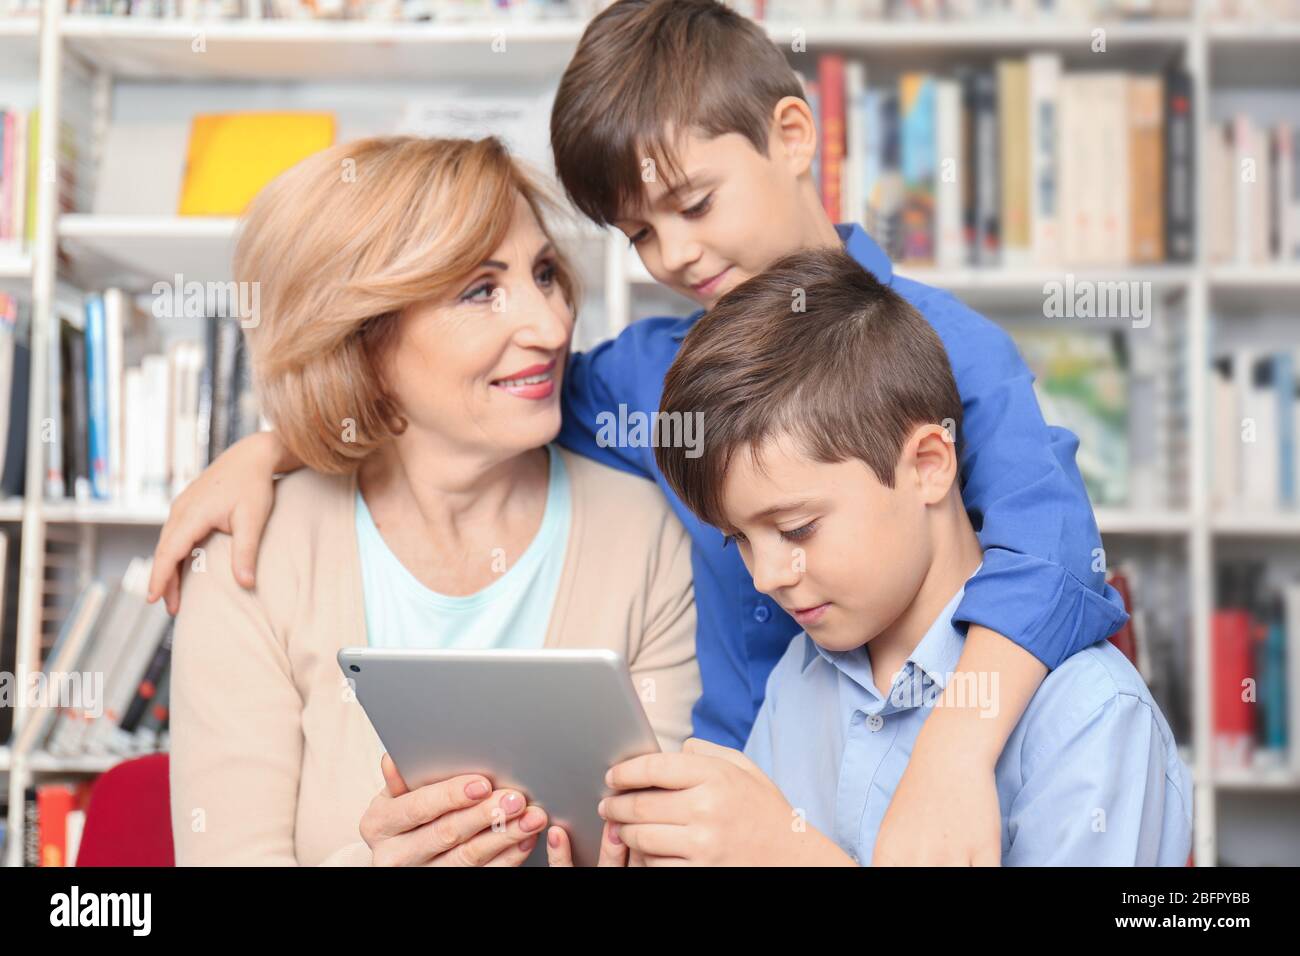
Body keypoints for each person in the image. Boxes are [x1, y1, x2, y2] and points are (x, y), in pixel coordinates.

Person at [151, 0, 1127, 865]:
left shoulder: (947, 346)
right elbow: (461, 397)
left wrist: (952, 758)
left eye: (696, 205)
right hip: (726, 806)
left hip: (914, 779)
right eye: (640, 234)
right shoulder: (647, 379)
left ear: (793, 136)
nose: (678, 253)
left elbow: (1054, 553)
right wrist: (273, 444)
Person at [169, 135, 699, 866]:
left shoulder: (643, 533)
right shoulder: (251, 559)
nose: (550, 327)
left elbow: (668, 843)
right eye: (481, 290)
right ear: (364, 338)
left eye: (545, 274)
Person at [595, 248, 1192, 865]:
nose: (767, 577)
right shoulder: (801, 680)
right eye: (739, 540)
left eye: (796, 529)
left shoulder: (1088, 716)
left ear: (929, 466)